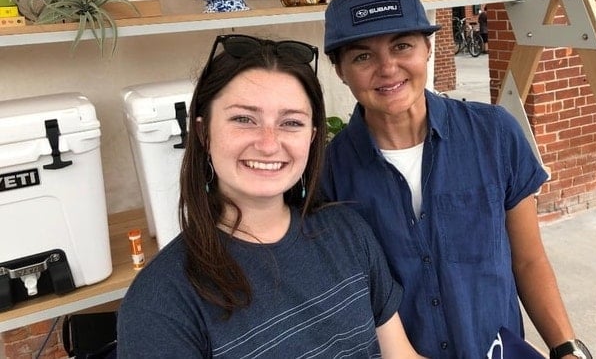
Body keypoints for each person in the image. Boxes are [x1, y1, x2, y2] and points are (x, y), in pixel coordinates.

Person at [321, 0, 592, 359]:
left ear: (428, 48)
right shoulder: (329, 172)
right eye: (362, 56)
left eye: (402, 46)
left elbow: (528, 259)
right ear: (339, 70)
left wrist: (566, 348)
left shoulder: (494, 134)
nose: (388, 68)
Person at [117, 34, 425, 358]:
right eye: (243, 119)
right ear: (204, 133)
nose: (268, 144)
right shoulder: (160, 302)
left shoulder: (348, 233)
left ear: (312, 138)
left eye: (291, 122)